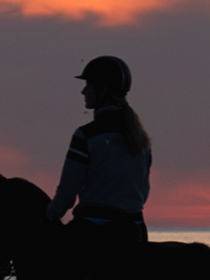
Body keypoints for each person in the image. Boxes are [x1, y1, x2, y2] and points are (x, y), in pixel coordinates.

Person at [44, 55, 152, 248]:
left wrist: (49, 216)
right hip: (134, 231)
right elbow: (142, 193)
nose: (83, 91)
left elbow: (68, 192)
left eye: (88, 85)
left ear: (102, 90)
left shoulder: (86, 136)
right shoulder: (142, 141)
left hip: (92, 232)